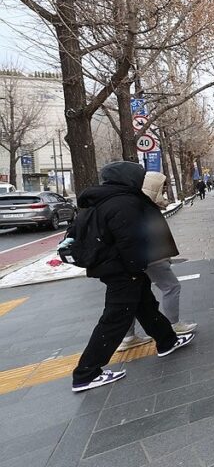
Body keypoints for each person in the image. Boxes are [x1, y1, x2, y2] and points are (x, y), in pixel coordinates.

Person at [71, 161, 195, 393]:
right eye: (139, 176)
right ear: (128, 178)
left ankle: (167, 341)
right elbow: (130, 241)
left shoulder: (99, 200)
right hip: (123, 271)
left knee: (145, 306)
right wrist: (136, 268)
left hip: (113, 267)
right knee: (115, 318)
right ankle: (86, 373)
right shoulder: (123, 202)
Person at [117, 171, 198, 351]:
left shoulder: (133, 203)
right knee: (171, 286)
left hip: (134, 258)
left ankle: (128, 337)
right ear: (154, 187)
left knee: (134, 296)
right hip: (152, 256)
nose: (166, 189)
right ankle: (173, 324)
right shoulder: (144, 205)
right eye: (163, 186)